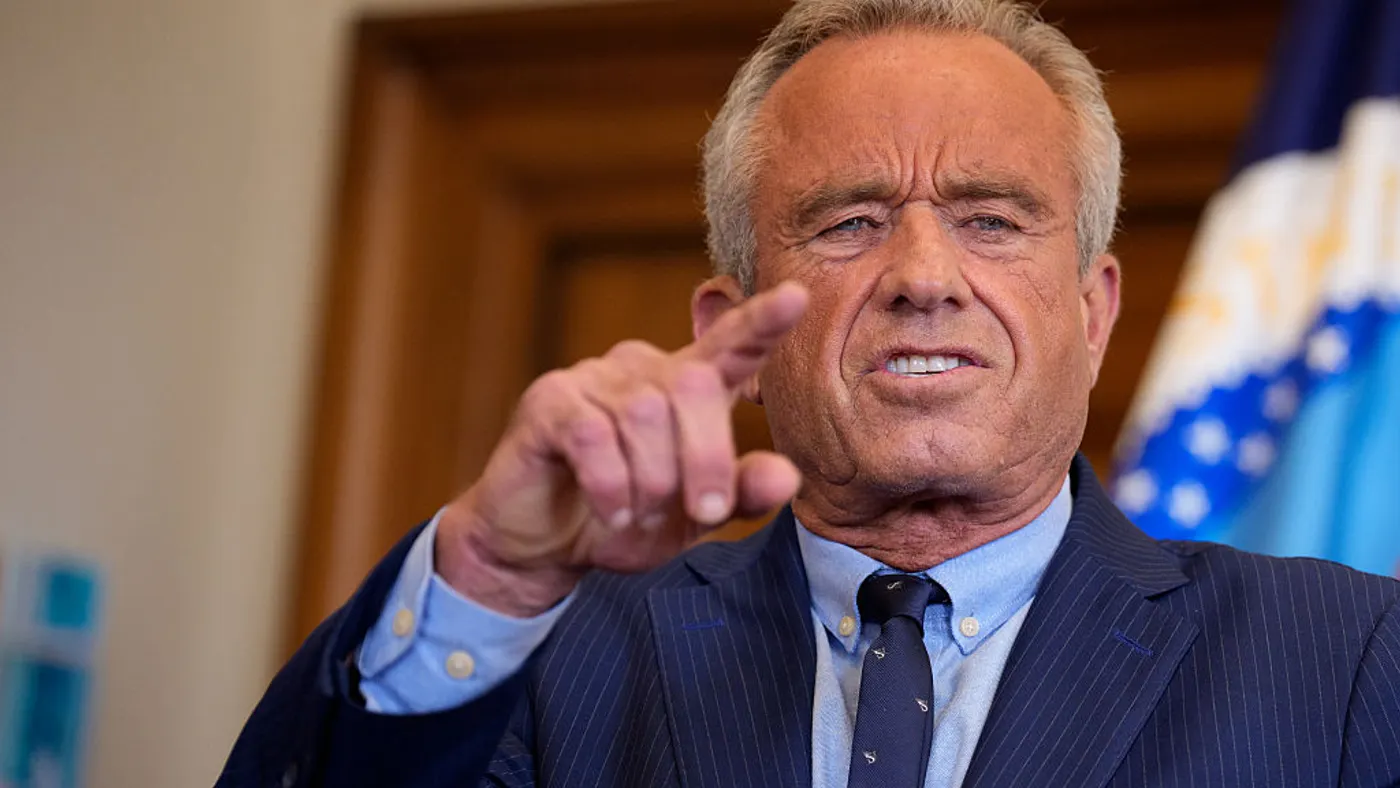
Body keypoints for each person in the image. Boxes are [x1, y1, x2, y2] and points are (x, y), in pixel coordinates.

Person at [219, 0, 1400, 785]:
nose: (924, 277)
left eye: (990, 219)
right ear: (727, 327)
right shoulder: (555, 656)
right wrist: (490, 577)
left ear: (1091, 314)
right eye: (847, 222)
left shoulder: (1346, 658)